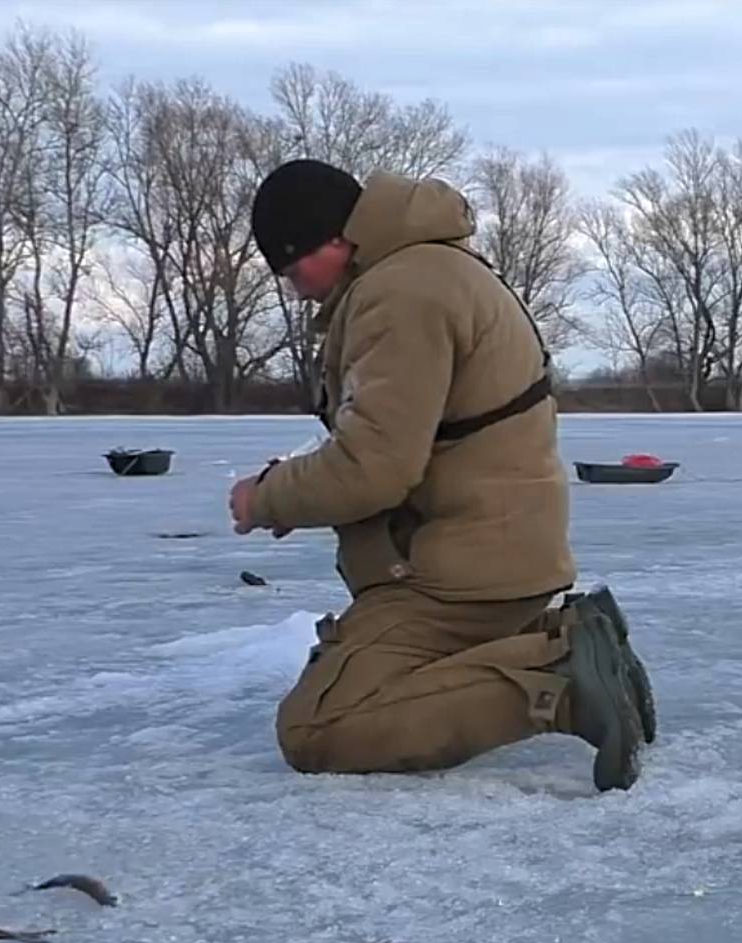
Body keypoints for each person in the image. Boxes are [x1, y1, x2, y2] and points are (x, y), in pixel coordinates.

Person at [228, 158, 656, 791]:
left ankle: (560, 679)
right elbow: (395, 442)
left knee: (318, 727)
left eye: (293, 268)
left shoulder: (400, 292)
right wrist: (301, 489)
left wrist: (266, 500)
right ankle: (554, 639)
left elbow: (373, 469)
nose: (295, 289)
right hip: (494, 556)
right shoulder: (428, 269)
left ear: (334, 239)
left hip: (454, 579)